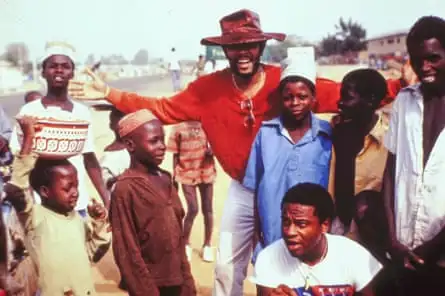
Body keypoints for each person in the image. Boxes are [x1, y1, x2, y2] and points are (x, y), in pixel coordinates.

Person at [68, 9, 406, 295]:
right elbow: (162, 107)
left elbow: (349, 94)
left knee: (304, 260)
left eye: (249, 45)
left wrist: (401, 85)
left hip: (297, 189)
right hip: (245, 189)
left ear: (261, 46)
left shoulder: (287, 83)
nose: (242, 53)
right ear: (224, 52)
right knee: (228, 265)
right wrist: (110, 93)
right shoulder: (206, 90)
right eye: (234, 47)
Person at [4, 115, 111, 296]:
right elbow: (16, 191)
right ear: (45, 191)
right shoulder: (34, 218)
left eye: (76, 185)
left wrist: (99, 222)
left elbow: (92, 254)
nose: (75, 192)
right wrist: (29, 139)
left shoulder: (76, 218)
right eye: (68, 188)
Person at [243, 47, 332, 261]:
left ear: (313, 97)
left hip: (314, 242)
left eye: (302, 97)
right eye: (288, 97)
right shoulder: (265, 135)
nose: (295, 103)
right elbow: (254, 192)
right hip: (272, 240)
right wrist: (255, 236)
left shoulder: (327, 136)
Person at [382, 16, 445, 295]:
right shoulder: (404, 102)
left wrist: (434, 246)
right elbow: (391, 171)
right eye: (418, 60)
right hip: (405, 249)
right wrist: (393, 237)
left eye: (434, 58)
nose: (425, 68)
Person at [10, 42, 110, 213]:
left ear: (72, 73)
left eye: (65, 67)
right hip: (39, 206)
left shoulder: (81, 112)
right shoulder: (30, 111)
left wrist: (107, 199)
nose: (59, 71)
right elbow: (19, 156)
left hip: (76, 204)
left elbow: (89, 159)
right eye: (53, 66)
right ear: (43, 72)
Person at [110, 109, 196, 296]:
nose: (162, 146)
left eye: (162, 139)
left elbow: (178, 236)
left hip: (178, 281)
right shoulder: (125, 189)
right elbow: (126, 250)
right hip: (150, 286)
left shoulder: (166, 179)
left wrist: (187, 282)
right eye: (153, 140)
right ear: (130, 145)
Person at [251, 183, 382, 296]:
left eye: (301, 224)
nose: (289, 232)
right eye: (285, 222)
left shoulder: (354, 256)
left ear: (324, 225)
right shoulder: (268, 259)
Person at [328, 69, 389, 239]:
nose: (340, 103)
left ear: (370, 100)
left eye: (347, 98)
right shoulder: (337, 130)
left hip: (374, 230)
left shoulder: (391, 138)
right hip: (340, 223)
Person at [167, 121, 216, 262]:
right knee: (193, 208)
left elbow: (217, 145)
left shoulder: (207, 122)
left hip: (205, 170)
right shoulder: (178, 127)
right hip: (186, 172)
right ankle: (185, 243)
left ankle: (207, 245)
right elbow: (175, 154)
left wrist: (212, 151)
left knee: (208, 209)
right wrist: (174, 177)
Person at [100, 106, 130, 192]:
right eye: (119, 120)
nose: (123, 124)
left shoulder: (139, 149)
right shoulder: (107, 156)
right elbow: (107, 183)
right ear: (111, 125)